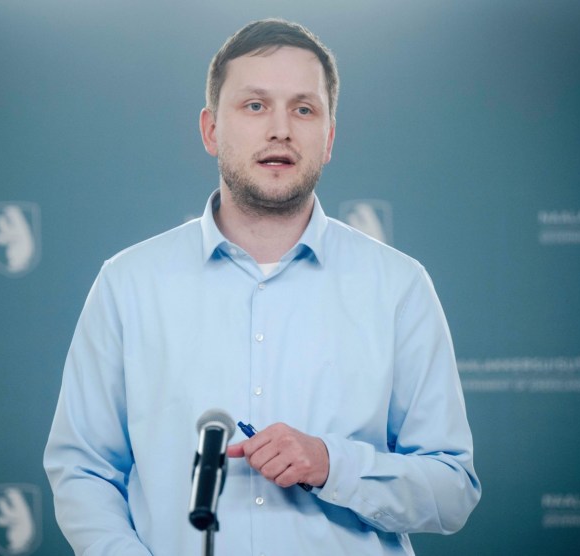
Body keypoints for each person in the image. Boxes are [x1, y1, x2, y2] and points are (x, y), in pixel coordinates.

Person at [44, 18, 480, 556]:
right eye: (255, 106)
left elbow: (453, 489)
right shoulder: (128, 284)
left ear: (329, 138)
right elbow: (84, 470)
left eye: (304, 108)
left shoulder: (398, 287)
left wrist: (331, 464)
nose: (280, 129)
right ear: (210, 130)